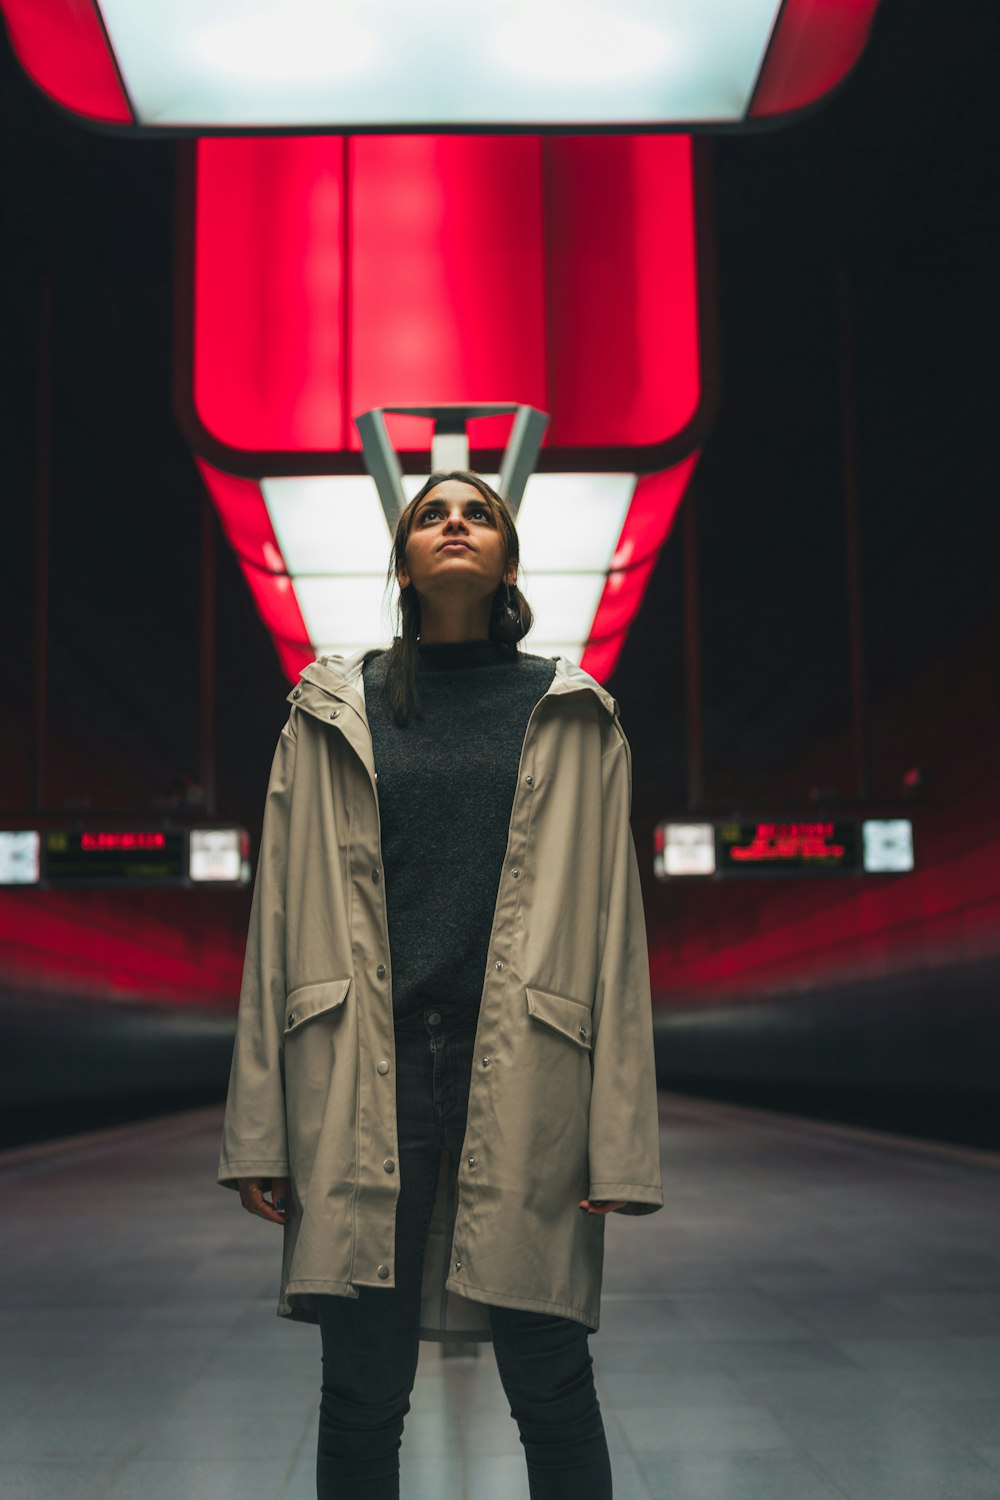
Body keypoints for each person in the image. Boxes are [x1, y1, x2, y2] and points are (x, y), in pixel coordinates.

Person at [218, 469, 664, 1499]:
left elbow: (613, 934)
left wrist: (620, 1140)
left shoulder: (573, 713)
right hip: (361, 1067)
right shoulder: (331, 710)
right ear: (405, 562)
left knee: (552, 1379)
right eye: (431, 515)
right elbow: (275, 925)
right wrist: (258, 1129)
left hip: (527, 1067)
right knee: (362, 1390)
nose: (454, 524)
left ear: (506, 561)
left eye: (478, 514)